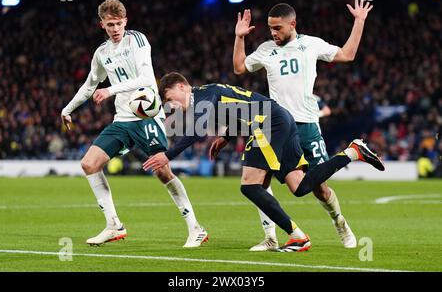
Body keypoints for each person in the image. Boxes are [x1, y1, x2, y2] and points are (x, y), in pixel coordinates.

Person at [143, 72, 384, 252]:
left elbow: (196, 132)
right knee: (299, 187)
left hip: (267, 124)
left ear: (182, 86)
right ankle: (352, 152)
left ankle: (297, 236)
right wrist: (226, 138)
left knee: (250, 185)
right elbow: (238, 109)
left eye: (169, 97)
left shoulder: (202, 96)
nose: (171, 104)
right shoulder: (209, 93)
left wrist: (167, 155)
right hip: (279, 119)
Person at [61, 0, 207, 247]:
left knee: (162, 170)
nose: (115, 29)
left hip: (146, 115)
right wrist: (68, 108)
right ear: (102, 25)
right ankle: (113, 225)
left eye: (119, 23)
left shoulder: (137, 40)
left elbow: (147, 78)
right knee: (89, 164)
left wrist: (110, 91)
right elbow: (89, 85)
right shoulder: (102, 53)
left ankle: (196, 228)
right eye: (110, 25)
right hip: (122, 119)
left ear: (125, 21)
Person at [232, 0, 372, 250]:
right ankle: (271, 237)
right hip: (277, 127)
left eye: (278, 28)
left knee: (320, 189)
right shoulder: (265, 50)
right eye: (270, 28)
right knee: (260, 181)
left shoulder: (311, 44)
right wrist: (239, 38)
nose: (273, 33)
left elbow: (347, 54)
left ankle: (339, 221)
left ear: (292, 24)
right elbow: (240, 67)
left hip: (307, 124)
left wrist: (359, 21)